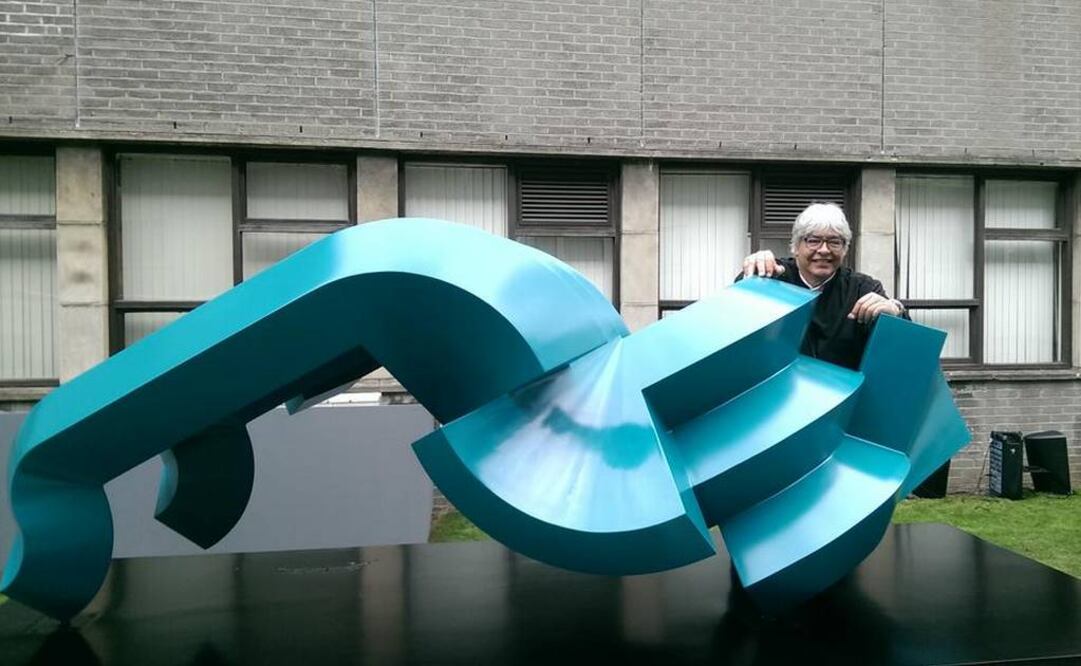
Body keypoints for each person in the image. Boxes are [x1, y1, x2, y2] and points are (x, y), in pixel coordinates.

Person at [738, 202, 907, 370]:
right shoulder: (773, 276)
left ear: (845, 249)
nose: (824, 250)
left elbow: (903, 344)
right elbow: (735, 314)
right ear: (795, 247)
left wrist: (895, 311)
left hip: (842, 391)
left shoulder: (862, 288)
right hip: (777, 387)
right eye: (814, 241)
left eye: (834, 242)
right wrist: (751, 273)